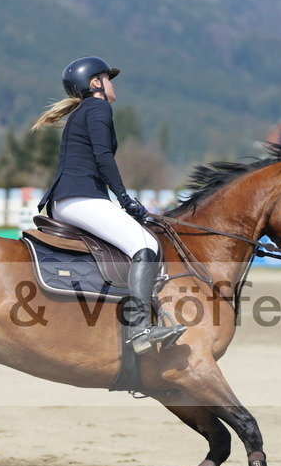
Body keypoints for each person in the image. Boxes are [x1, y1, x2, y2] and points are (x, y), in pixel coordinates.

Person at [32, 56, 185, 355]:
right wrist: (125, 200)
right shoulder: (98, 107)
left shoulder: (84, 110)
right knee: (146, 246)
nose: (113, 85)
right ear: (95, 83)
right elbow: (104, 157)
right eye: (108, 78)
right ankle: (140, 330)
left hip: (72, 198)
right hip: (80, 197)